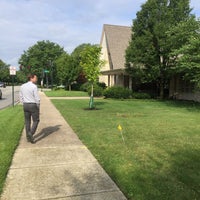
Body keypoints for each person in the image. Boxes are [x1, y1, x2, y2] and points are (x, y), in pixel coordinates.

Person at [19, 74, 40, 143]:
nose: (36, 79)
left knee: (27, 121)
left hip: (25, 105)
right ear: (31, 78)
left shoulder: (22, 86)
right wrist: (38, 106)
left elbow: (20, 96)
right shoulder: (34, 86)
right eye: (35, 78)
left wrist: (23, 103)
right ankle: (30, 134)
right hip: (33, 105)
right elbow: (37, 98)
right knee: (36, 120)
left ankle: (28, 137)